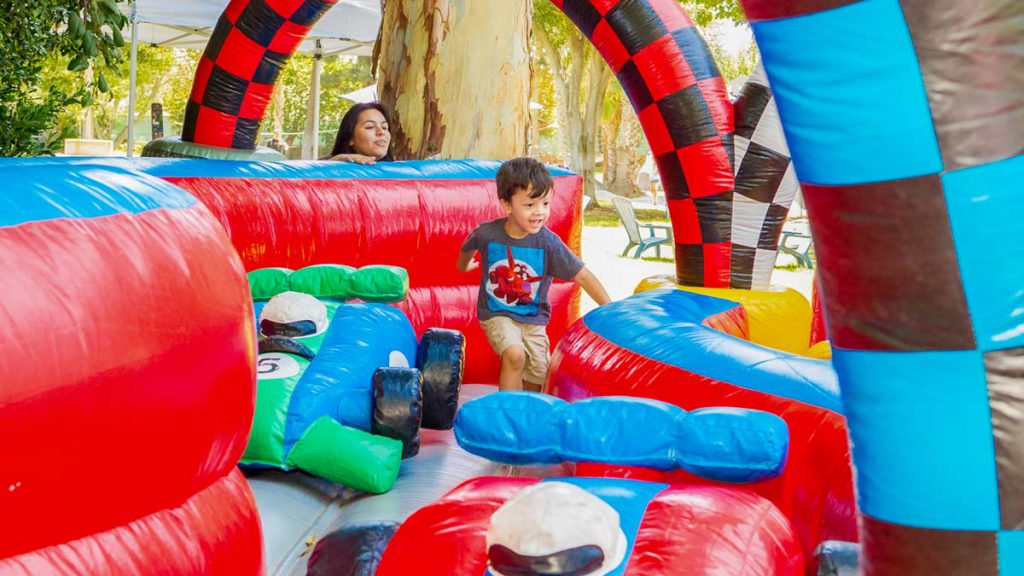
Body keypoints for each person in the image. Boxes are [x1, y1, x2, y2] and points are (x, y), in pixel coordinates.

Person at [457, 157, 611, 392]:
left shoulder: (548, 243)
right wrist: (464, 266)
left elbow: (583, 276)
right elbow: (468, 246)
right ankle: (508, 413)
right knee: (515, 355)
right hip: (496, 313)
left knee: (539, 375)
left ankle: (528, 417)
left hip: (533, 320)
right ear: (507, 205)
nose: (539, 212)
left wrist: (609, 309)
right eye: (530, 205)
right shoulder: (488, 233)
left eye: (546, 204)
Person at [327, 102, 394, 164]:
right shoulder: (327, 166)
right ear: (351, 138)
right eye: (370, 127)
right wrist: (334, 163)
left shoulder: (400, 172)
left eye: (384, 127)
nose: (381, 132)